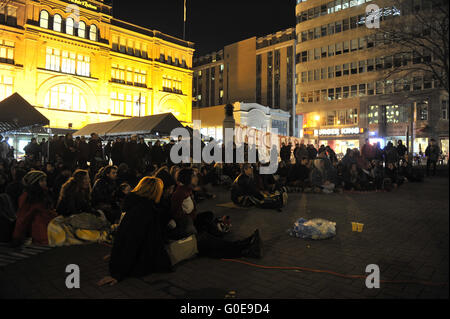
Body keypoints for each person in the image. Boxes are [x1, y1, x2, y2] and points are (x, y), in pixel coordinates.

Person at [98, 177, 173, 285]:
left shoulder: (137, 204)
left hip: (133, 252)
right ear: (155, 191)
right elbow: (133, 241)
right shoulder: (145, 210)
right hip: (138, 259)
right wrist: (117, 274)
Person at [12, 171, 57, 246]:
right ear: (34, 182)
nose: (45, 183)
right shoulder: (28, 197)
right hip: (41, 231)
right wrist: (17, 236)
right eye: (42, 181)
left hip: (50, 229)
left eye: (45, 180)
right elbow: (23, 217)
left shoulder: (45, 193)